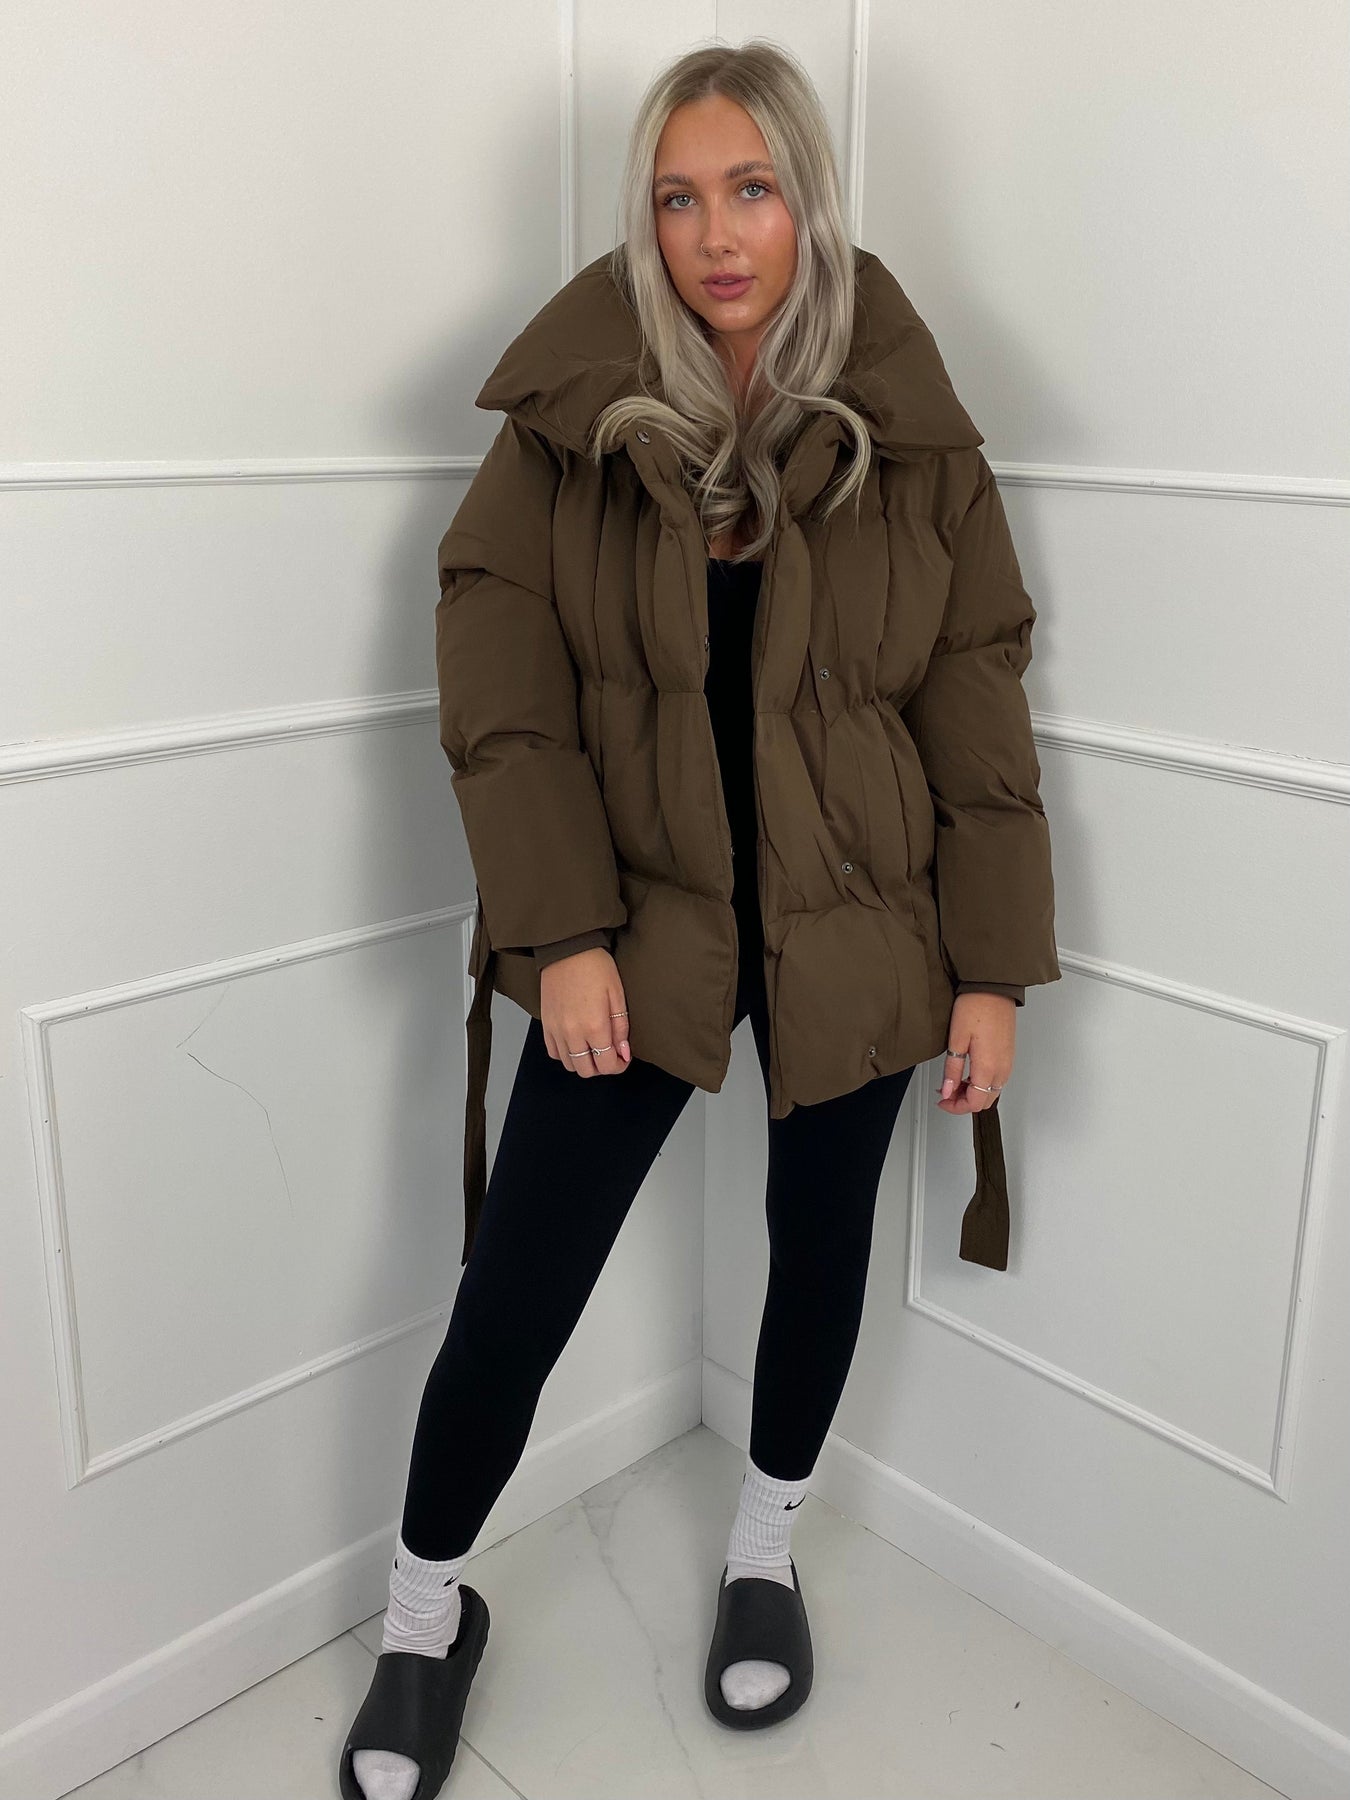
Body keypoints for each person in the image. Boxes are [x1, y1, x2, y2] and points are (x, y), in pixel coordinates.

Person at [340, 36, 1059, 1800]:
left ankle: (763, 1551)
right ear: (642, 216)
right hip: (635, 933)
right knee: (519, 1286)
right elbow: (503, 696)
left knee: (819, 1259)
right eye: (677, 197)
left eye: (751, 190)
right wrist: (563, 933)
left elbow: (974, 702)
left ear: (809, 201)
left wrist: (989, 971)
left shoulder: (913, 435)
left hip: (862, 924)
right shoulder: (568, 429)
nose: (715, 235)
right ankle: (422, 1617)